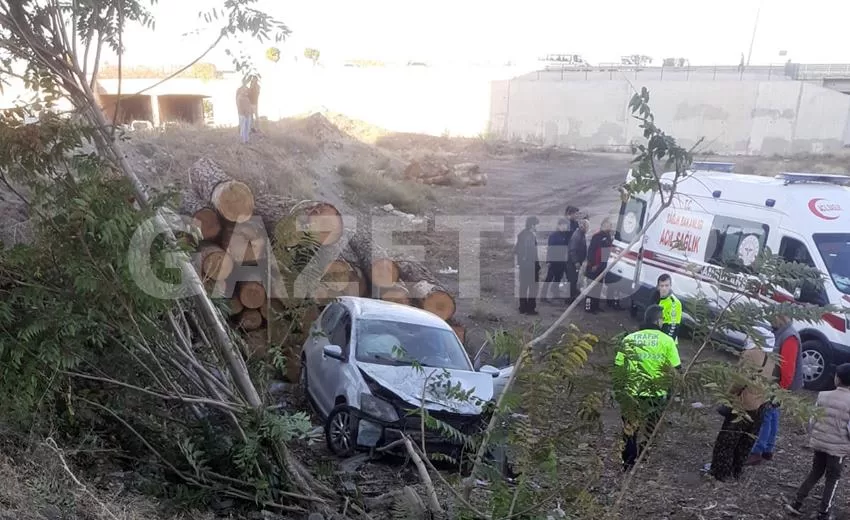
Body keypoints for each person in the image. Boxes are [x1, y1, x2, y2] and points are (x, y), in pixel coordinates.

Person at [614, 304, 681, 471]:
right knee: (651, 427)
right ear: (658, 321)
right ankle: (644, 454)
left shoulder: (629, 339)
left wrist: (619, 391)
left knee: (630, 428)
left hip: (632, 392)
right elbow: (677, 369)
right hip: (656, 394)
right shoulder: (667, 341)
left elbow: (618, 367)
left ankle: (628, 462)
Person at [785, 363, 850, 520]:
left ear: (837, 379)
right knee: (832, 478)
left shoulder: (822, 395)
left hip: (819, 442)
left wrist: (814, 434)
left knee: (815, 472)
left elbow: (812, 420)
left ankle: (796, 503)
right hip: (838, 449)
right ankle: (824, 512)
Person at [708, 336, 772, 482]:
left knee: (727, 440)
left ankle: (721, 473)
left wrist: (727, 396)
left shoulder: (750, 354)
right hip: (760, 404)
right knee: (745, 441)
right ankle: (737, 470)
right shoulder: (772, 357)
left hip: (743, 404)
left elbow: (739, 380)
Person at [747, 314, 803, 465]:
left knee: (765, 415)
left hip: (779, 384)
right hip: (778, 383)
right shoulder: (783, 333)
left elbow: (788, 368)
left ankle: (757, 451)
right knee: (772, 414)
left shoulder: (789, 337)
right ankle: (768, 449)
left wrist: (780, 390)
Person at [584, 218, 617, 313]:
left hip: (602, 267)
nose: (611, 227)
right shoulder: (597, 236)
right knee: (591, 288)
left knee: (598, 287)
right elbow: (591, 252)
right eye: (609, 224)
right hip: (594, 267)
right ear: (604, 225)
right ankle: (588, 307)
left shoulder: (608, 236)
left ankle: (596, 306)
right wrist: (592, 264)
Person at [514, 216, 540, 315]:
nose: (537, 227)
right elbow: (533, 253)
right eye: (536, 225)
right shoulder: (531, 236)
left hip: (523, 266)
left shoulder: (521, 234)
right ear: (532, 225)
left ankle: (522, 307)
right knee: (533, 288)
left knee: (523, 287)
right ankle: (530, 308)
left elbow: (516, 250)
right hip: (531, 266)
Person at [540, 218, 570, 302]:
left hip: (562, 260)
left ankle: (555, 293)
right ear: (558, 226)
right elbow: (550, 249)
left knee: (558, 278)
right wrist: (548, 261)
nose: (564, 227)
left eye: (566, 226)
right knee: (549, 278)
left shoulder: (565, 235)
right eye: (563, 226)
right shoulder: (553, 235)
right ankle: (543, 296)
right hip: (553, 261)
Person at [651, 274, 682, 342]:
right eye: (662, 286)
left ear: (670, 286)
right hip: (654, 338)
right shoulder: (655, 296)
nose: (664, 288)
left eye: (666, 285)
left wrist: (665, 345)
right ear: (658, 287)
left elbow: (673, 328)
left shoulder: (674, 303)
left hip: (667, 342)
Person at [567, 218, 589, 303]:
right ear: (583, 227)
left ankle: (572, 294)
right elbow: (572, 250)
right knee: (572, 280)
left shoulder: (581, 234)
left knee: (574, 279)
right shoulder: (577, 236)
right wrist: (576, 262)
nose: (588, 229)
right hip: (572, 262)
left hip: (575, 261)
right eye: (587, 227)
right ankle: (570, 299)